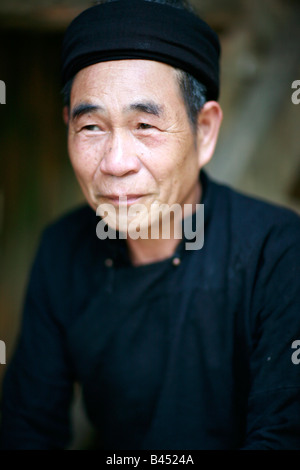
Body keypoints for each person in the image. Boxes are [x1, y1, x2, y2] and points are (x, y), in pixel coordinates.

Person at [1, 0, 300, 450]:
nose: (116, 164)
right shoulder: (62, 249)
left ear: (205, 131)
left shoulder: (278, 252)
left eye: (144, 125)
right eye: (91, 128)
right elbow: (27, 429)